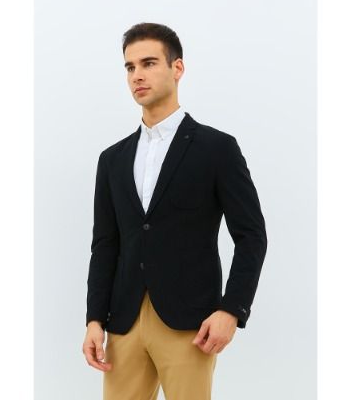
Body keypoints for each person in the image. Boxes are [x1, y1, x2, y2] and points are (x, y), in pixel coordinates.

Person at [82, 22, 268, 400]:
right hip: (124, 322)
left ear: (177, 68)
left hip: (190, 324)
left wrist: (231, 310)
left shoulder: (217, 149)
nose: (137, 75)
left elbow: (251, 236)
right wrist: (94, 319)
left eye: (149, 63)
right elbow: (105, 244)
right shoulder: (112, 159)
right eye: (130, 67)